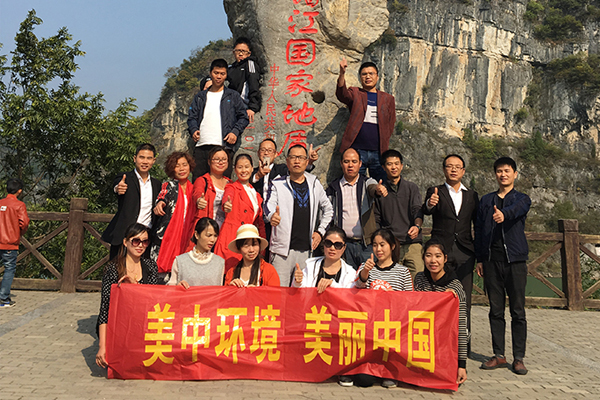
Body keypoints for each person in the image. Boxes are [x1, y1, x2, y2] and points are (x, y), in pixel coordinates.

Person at [475, 156, 531, 375]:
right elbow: (479, 230)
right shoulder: (486, 200)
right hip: (491, 261)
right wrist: (480, 259)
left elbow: (517, 210)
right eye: (499, 171)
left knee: (518, 311)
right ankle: (499, 355)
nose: (503, 174)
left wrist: (503, 214)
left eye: (507, 171)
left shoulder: (522, 198)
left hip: (515, 261)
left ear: (515, 174)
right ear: (495, 174)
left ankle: (519, 358)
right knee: (495, 310)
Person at [422, 154, 478, 349]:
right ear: (444, 169)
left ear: (463, 171)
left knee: (464, 299)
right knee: (437, 297)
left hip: (464, 251)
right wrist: (430, 203)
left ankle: (463, 345)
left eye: (457, 167)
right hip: (440, 252)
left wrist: (479, 255)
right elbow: (426, 210)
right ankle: (437, 342)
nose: (453, 170)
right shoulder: (435, 191)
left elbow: (477, 224)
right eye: (449, 166)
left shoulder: (472, 195)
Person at [264, 144, 334, 287]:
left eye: (301, 158)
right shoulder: (277, 184)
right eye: (293, 157)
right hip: (282, 252)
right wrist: (271, 216)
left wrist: (320, 232)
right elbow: (267, 206)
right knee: (278, 292)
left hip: (306, 252)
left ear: (307, 161)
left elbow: (328, 209)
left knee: (302, 293)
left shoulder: (314, 183)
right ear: (287, 161)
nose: (297, 161)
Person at [354, 228, 412, 388]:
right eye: (374, 245)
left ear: (392, 246)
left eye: (382, 244)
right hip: (369, 332)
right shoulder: (365, 267)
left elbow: (410, 302)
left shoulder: (403, 272)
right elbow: (357, 288)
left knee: (389, 378)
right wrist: (365, 272)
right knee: (363, 380)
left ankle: (390, 369)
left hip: (393, 331)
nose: (378, 249)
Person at [96, 223, 158, 368]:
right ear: (125, 242)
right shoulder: (113, 268)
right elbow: (105, 309)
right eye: (136, 241)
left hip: (143, 323)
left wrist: (134, 288)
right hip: (119, 324)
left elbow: (153, 300)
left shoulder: (151, 266)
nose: (140, 245)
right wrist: (102, 346)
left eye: (145, 242)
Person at [414, 239, 468, 385]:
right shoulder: (419, 279)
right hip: (423, 340)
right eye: (428, 255)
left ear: (445, 258)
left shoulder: (455, 287)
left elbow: (461, 327)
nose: (433, 261)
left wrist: (462, 365)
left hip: (444, 343)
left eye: (438, 256)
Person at [187, 58, 249, 181]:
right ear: (210, 73)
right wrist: (194, 130)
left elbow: (243, 117)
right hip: (201, 145)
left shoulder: (233, 96)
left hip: (223, 146)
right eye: (216, 73)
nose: (219, 77)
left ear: (226, 75)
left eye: (222, 74)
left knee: (223, 183)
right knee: (199, 182)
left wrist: (235, 132)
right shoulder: (200, 97)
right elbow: (192, 117)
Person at [336, 58, 396, 182]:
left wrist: (384, 140)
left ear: (377, 77)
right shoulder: (356, 93)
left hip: (379, 152)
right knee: (354, 184)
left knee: (381, 185)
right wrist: (342, 73)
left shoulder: (387, 99)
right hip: (357, 151)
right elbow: (342, 94)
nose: (367, 76)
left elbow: (391, 123)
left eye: (371, 73)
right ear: (360, 77)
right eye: (364, 74)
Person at [102, 143, 162, 260]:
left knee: (142, 270)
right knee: (117, 268)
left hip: (146, 238)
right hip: (125, 235)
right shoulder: (125, 178)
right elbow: (117, 185)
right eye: (141, 157)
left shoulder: (157, 184)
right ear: (135, 158)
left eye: (149, 158)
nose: (145, 162)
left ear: (153, 160)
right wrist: (118, 188)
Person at [326, 148, 381, 270]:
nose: (350, 165)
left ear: (360, 164)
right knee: (346, 279)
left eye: (354, 161)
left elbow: (373, 188)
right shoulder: (334, 188)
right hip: (343, 246)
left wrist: (378, 189)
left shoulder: (366, 182)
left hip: (366, 245)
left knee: (368, 278)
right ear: (341, 163)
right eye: (346, 161)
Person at [373, 150, 424, 278]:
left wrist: (417, 226)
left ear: (401, 166)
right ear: (384, 167)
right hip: (391, 246)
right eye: (389, 164)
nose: (394, 167)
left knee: (418, 281)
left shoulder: (411, 188)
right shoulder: (380, 191)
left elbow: (417, 209)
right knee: (392, 283)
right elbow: (376, 219)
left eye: (396, 163)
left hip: (412, 243)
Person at [150, 152, 195, 282]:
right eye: (177, 166)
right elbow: (163, 196)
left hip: (187, 238)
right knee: (161, 280)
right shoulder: (169, 185)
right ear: (172, 169)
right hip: (167, 237)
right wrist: (160, 203)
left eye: (184, 165)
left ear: (190, 166)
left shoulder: (194, 190)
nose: (181, 169)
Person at [213, 154, 266, 264]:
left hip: (248, 241)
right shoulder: (231, 187)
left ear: (252, 168)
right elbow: (228, 196)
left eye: (246, 167)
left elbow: (259, 222)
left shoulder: (256, 194)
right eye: (240, 167)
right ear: (235, 170)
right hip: (232, 237)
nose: (243, 170)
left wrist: (261, 247)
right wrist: (226, 204)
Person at [185, 146, 232, 251]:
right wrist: (199, 200)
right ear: (209, 162)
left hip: (223, 235)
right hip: (206, 233)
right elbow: (197, 193)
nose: (220, 162)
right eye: (216, 159)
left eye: (224, 159)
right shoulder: (203, 181)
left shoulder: (231, 184)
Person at [292, 226, 356, 292]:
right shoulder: (310, 266)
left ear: (344, 248)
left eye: (337, 245)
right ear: (323, 244)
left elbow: (348, 295)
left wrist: (332, 284)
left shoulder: (351, 273)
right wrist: (297, 282)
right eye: (328, 243)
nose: (332, 248)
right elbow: (300, 292)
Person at [168, 218, 225, 288]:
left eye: (215, 236)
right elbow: (170, 290)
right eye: (208, 235)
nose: (212, 240)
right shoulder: (180, 261)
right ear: (197, 235)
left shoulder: (219, 262)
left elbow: (220, 290)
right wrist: (178, 287)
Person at [0, 178, 30, 308]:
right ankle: (3, 298)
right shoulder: (19, 205)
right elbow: (24, 223)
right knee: (9, 269)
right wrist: (18, 233)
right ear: (19, 191)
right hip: (10, 242)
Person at [228, 37, 262, 123]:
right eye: (238, 51)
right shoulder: (231, 68)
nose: (240, 54)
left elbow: (254, 84)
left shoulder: (250, 64)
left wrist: (252, 108)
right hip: (231, 107)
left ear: (249, 53)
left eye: (243, 51)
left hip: (245, 107)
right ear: (233, 52)